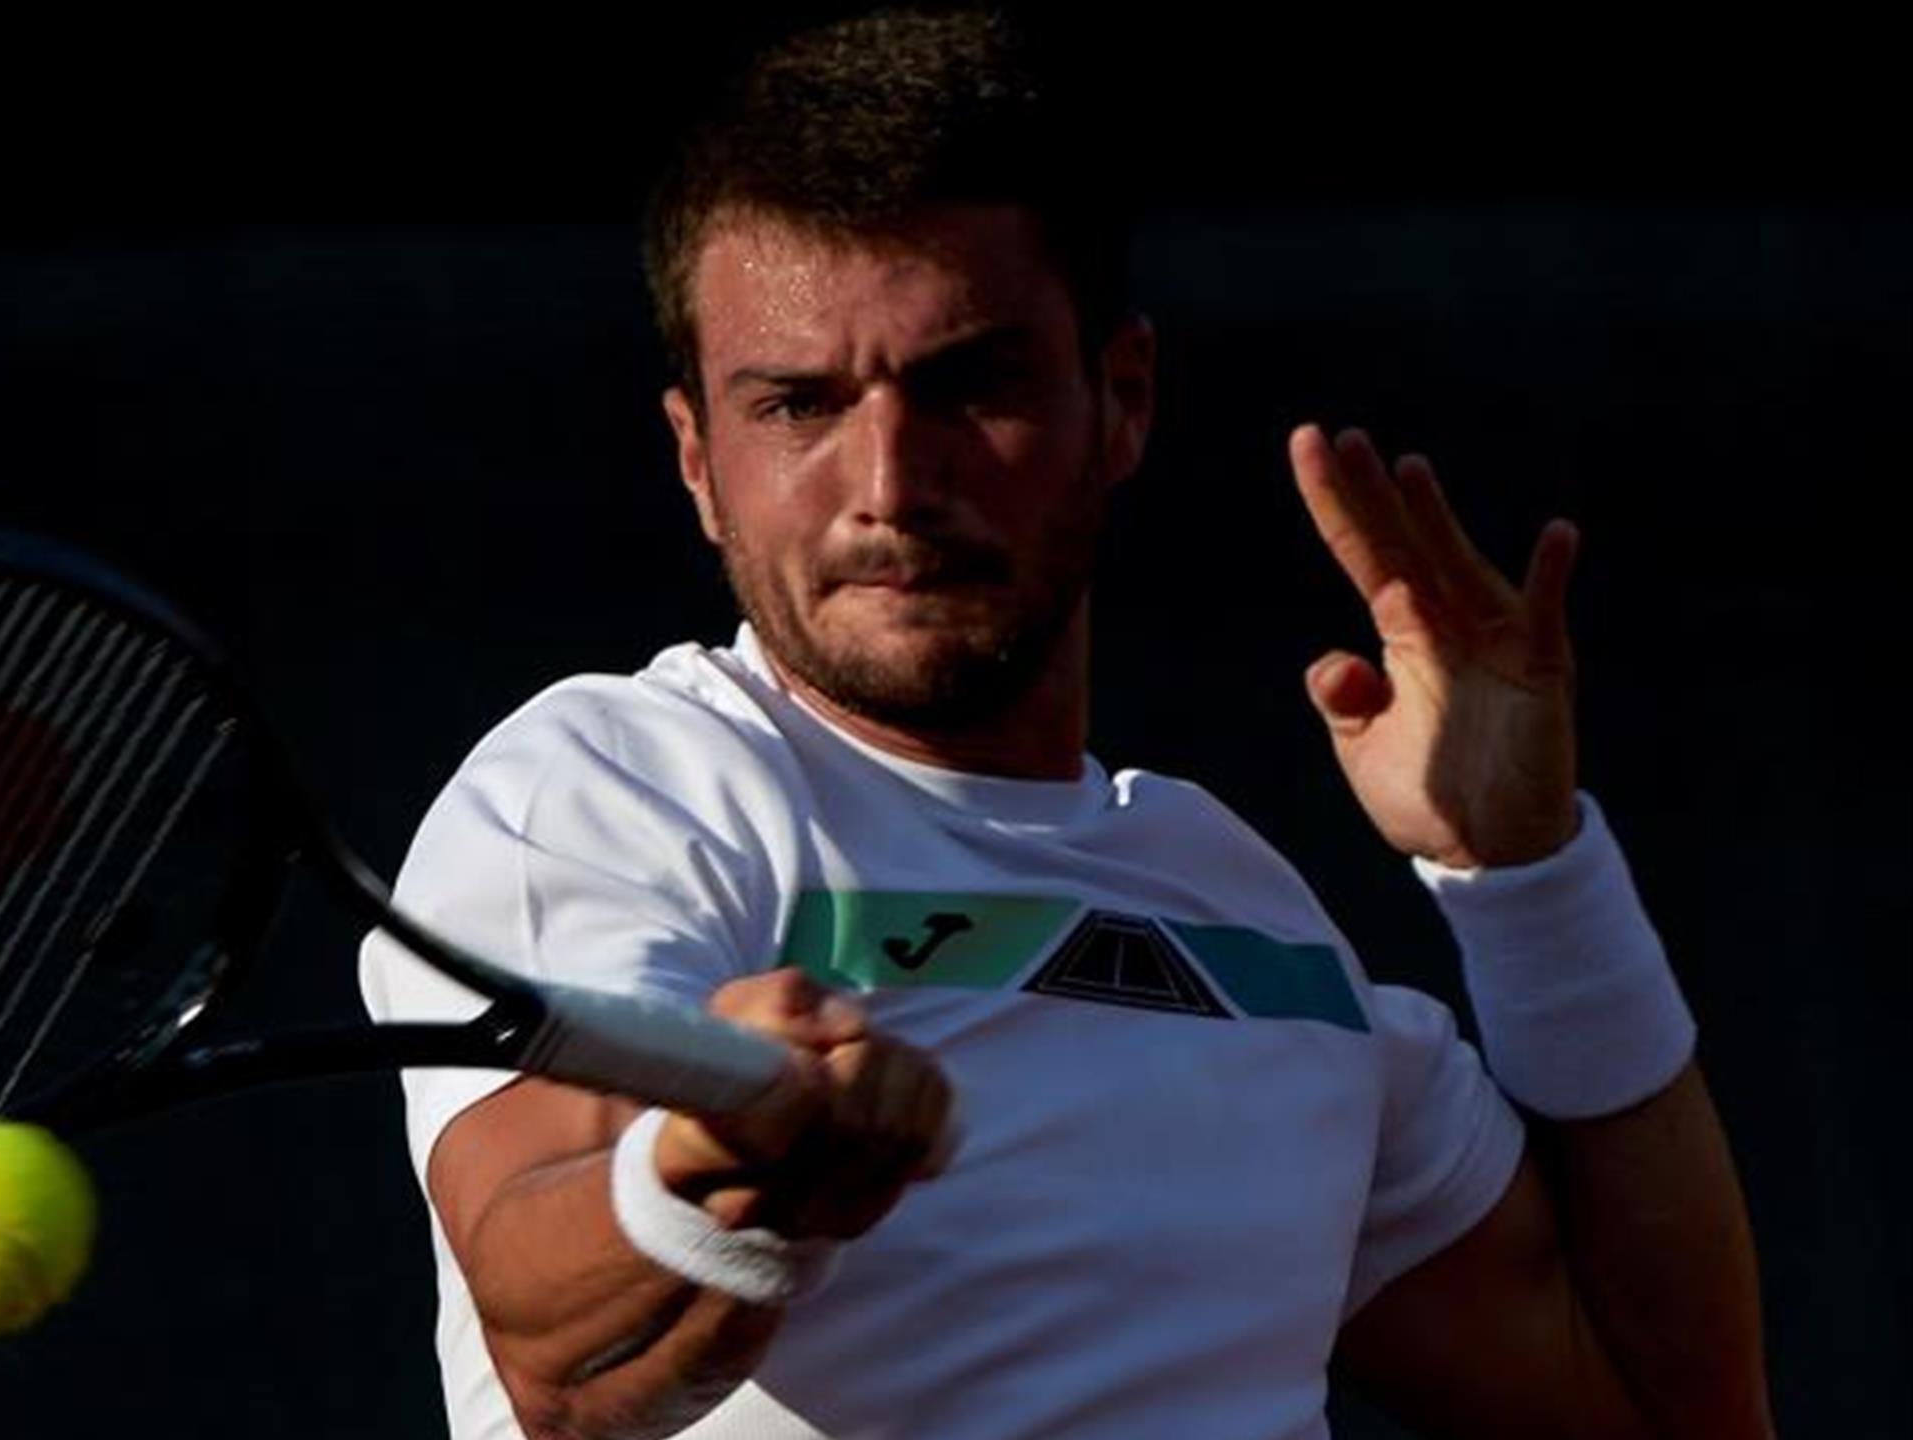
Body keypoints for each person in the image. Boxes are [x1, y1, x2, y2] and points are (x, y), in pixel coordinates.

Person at [358, 10, 1772, 1438]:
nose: (890, 485)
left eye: (970, 384)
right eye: (798, 405)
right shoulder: (617, 790)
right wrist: (715, 1184)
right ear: (697, 461)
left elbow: (1681, 1419)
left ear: (1122, 400)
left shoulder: (1263, 938)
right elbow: (563, 1371)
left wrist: (1529, 875)